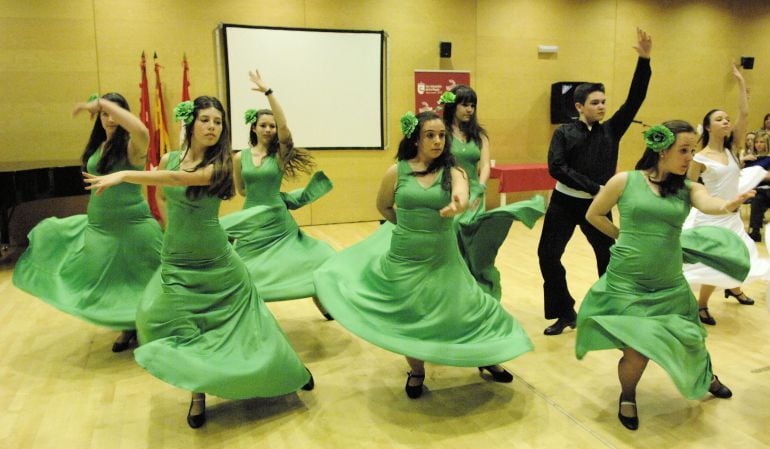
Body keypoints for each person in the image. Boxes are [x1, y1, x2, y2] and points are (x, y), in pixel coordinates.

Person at [84, 96, 313, 429]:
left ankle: (286, 371)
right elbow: (162, 195)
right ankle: (198, 391)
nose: (212, 127)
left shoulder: (223, 164)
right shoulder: (170, 158)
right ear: (191, 123)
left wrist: (124, 176)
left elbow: (177, 180)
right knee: (167, 321)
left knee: (251, 325)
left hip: (216, 259)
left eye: (218, 122)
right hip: (176, 258)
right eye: (205, 120)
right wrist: (169, 227)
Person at [314, 111, 533, 399]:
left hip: (443, 257)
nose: (438, 141)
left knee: (466, 308)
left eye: (441, 135)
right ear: (416, 139)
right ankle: (417, 370)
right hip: (404, 257)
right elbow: (383, 206)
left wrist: (458, 204)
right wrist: (409, 227)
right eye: (430, 135)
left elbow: (462, 195)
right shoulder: (397, 172)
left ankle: (485, 354)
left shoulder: (454, 172)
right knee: (411, 314)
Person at [577, 120, 753, 431]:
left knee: (691, 342)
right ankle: (628, 396)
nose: (690, 158)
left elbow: (709, 204)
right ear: (661, 150)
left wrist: (728, 204)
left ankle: (706, 378)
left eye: (692, 151)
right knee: (637, 350)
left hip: (669, 285)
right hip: (627, 284)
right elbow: (594, 214)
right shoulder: (624, 181)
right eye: (683, 150)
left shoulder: (688, 189)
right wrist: (620, 235)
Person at [12, 93, 162, 352]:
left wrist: (104, 103)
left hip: (132, 227)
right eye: (105, 114)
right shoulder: (99, 146)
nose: (110, 118)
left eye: (115, 113)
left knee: (138, 282)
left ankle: (138, 327)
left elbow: (142, 130)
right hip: (101, 228)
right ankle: (127, 325)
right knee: (111, 284)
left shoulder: (133, 147)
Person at [538, 28, 652, 336]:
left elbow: (635, 99)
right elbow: (556, 167)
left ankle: (611, 310)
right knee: (548, 256)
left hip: (598, 208)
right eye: (595, 102)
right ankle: (565, 313)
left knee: (609, 256)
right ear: (579, 106)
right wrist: (595, 187)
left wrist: (644, 61)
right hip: (563, 204)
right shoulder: (564, 132)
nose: (602, 106)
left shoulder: (611, 130)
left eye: (603, 102)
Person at [220, 70, 334, 317]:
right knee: (244, 265)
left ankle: (321, 299)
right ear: (254, 128)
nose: (269, 129)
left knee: (301, 260)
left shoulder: (280, 155)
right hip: (251, 221)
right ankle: (244, 313)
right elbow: (242, 190)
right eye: (263, 125)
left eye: (272, 126)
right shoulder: (239, 157)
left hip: (278, 220)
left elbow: (284, 127)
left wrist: (268, 92)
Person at [684, 63, 770, 325]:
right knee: (715, 261)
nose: (726, 122)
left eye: (726, 119)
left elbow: (744, 113)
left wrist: (741, 84)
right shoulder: (699, 157)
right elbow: (688, 188)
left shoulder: (733, 149)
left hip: (731, 216)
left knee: (739, 256)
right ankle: (701, 305)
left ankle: (733, 288)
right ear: (708, 127)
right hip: (711, 218)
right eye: (719, 119)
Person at [441, 85, 545, 299]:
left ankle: (474, 287)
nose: (469, 109)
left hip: (475, 193)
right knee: (453, 236)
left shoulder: (479, 135)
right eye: (464, 104)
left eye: (472, 105)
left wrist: (479, 189)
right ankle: (452, 286)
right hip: (448, 192)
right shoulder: (442, 133)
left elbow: (485, 165)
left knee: (473, 241)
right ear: (453, 106)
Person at [744, 130, 770, 241]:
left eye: (762, 142)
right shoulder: (750, 159)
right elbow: (742, 175)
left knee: (760, 195)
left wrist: (756, 175)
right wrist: (742, 160)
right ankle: (755, 232)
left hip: (767, 188)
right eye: (757, 142)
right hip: (756, 190)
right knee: (757, 198)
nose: (759, 144)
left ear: (767, 143)